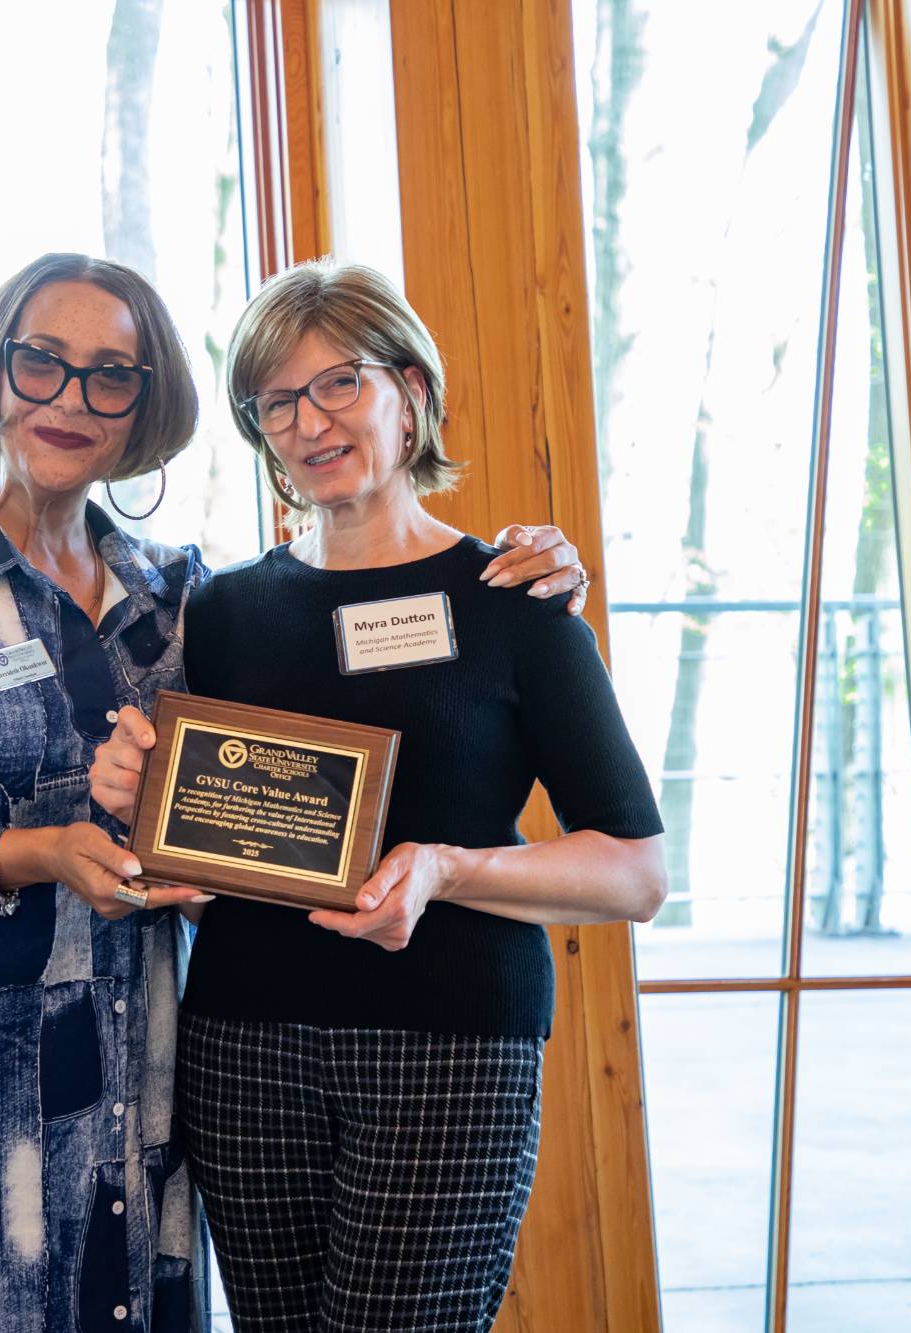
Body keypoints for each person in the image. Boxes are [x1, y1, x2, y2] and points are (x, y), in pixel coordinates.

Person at [0, 252, 588, 1330]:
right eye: (41, 363)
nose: (70, 399)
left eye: (110, 375)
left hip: (127, 1085)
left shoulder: (177, 595)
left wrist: (535, 574)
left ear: (142, 406)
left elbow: (240, 800)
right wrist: (32, 852)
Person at [89, 260, 666, 1333]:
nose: (307, 423)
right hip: (242, 1045)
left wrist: (444, 869)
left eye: (337, 385)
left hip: (448, 1047)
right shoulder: (220, 613)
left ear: (408, 390)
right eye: (274, 401)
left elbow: (632, 871)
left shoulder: (515, 602)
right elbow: (206, 844)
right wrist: (145, 814)